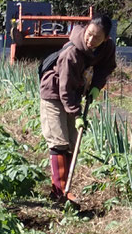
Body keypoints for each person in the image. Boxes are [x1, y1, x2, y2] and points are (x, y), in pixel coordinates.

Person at [39, 13, 116, 204]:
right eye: (89, 34)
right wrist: (77, 114)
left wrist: (97, 86)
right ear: (86, 29)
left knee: (72, 143)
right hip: (54, 93)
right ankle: (59, 192)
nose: (90, 40)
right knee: (58, 141)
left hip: (73, 93)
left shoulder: (107, 47)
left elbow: (106, 67)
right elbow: (64, 90)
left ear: (106, 39)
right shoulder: (71, 53)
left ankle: (64, 189)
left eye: (97, 37)